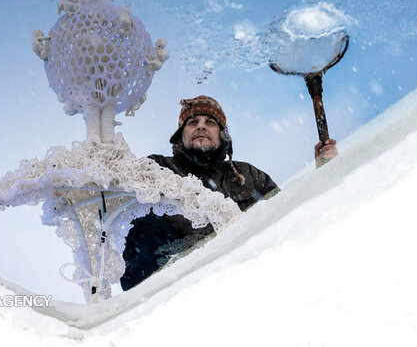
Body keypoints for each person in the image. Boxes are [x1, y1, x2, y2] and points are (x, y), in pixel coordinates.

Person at [120, 95, 338, 290]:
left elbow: (288, 214)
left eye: (210, 122)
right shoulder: (158, 167)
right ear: (180, 135)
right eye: (193, 122)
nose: (201, 127)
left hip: (248, 275)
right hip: (179, 284)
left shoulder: (249, 175)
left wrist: (325, 172)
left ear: (222, 134)